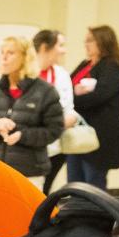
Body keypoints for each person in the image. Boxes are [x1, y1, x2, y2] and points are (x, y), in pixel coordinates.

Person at [0, 36, 63, 187]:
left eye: (10, 53)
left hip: (30, 173)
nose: (4, 57)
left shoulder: (45, 91)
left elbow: (54, 130)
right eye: (2, 52)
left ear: (25, 57)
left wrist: (22, 135)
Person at [67, 24, 119, 191]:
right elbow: (66, 88)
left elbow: (99, 96)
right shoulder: (85, 64)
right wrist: (76, 93)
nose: (86, 44)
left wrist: (75, 96)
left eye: (90, 40)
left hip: (101, 133)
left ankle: (96, 217)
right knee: (74, 182)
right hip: (79, 132)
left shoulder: (112, 67)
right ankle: (77, 216)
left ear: (103, 42)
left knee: (93, 182)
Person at [32, 28, 77, 193]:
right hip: (28, 147)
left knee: (44, 193)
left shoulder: (62, 75)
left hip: (54, 146)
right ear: (45, 47)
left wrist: (69, 118)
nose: (64, 50)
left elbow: (68, 108)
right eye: (61, 45)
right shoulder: (25, 71)